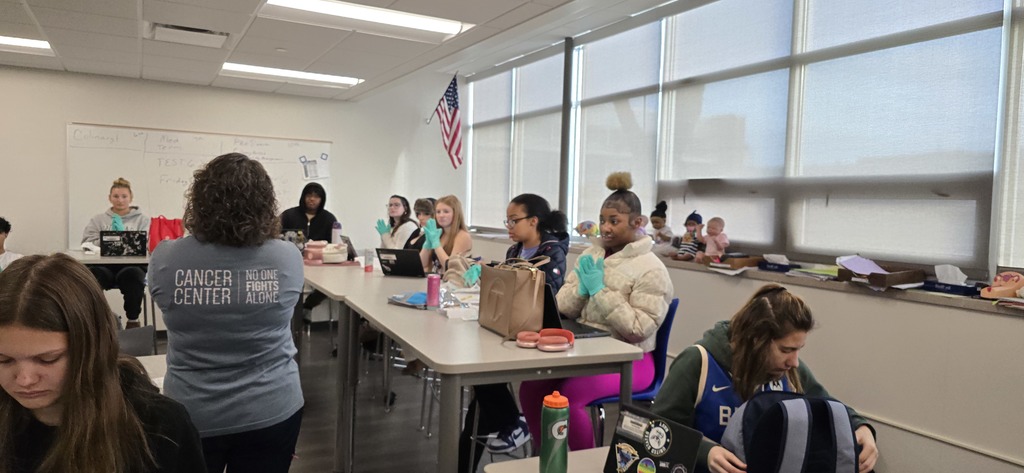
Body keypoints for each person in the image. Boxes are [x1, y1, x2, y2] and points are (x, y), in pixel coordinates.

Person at [149, 153, 304, 473]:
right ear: (266, 203)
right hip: (273, 406)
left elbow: (165, 303)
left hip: (191, 412)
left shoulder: (167, 257)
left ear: (199, 200)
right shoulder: (288, 257)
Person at [0, 253, 205, 473]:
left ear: (93, 346)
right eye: (3, 360)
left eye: (47, 359)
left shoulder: (161, 426)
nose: (25, 379)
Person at [519, 172, 673, 452]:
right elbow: (564, 307)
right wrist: (581, 290)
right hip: (587, 351)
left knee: (570, 396)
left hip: (631, 359)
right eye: (603, 220)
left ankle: (583, 467)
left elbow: (638, 329)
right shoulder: (592, 255)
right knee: (531, 388)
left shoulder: (652, 269)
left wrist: (599, 290)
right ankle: (545, 461)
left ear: (638, 223)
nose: (605, 227)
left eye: (614, 221)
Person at [652, 284, 879, 473]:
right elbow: (656, 428)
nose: (795, 362)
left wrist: (862, 428)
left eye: (798, 349)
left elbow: (829, 408)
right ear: (756, 340)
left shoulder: (789, 371)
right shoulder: (698, 361)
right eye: (786, 350)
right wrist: (705, 452)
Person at [458, 194, 570, 472]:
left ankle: (511, 423)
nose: (509, 225)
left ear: (534, 221)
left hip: (537, 334)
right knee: (482, 382)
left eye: (514, 220)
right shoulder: (514, 251)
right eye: (506, 220)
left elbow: (549, 296)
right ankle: (507, 425)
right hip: (509, 329)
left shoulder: (553, 252)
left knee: (483, 383)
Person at [82, 177, 150, 328]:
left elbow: (147, 243)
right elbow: (87, 242)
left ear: (131, 198)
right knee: (91, 277)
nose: (120, 200)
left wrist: (118, 239)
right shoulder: (98, 220)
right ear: (109, 198)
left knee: (133, 276)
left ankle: (133, 321)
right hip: (105, 266)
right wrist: (108, 240)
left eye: (124, 196)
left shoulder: (143, 220)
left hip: (132, 266)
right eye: (116, 196)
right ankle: (96, 322)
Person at [279, 182, 353, 320]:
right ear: (303, 197)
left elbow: (334, 244)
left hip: (320, 264)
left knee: (332, 282)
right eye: (309, 195)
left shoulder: (329, 218)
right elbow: (275, 235)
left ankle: (307, 306)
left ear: (322, 199)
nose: (312, 199)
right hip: (291, 261)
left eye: (316, 196)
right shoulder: (289, 215)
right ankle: (289, 314)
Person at [419, 195, 472, 273]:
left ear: (456, 214)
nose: (441, 215)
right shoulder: (438, 234)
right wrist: (427, 244)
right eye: (438, 212)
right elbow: (422, 264)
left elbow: (451, 267)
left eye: (446, 211)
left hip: (451, 282)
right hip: (436, 279)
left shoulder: (463, 236)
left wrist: (436, 245)